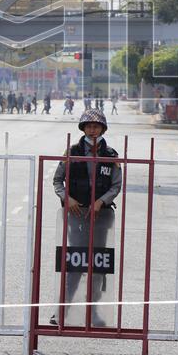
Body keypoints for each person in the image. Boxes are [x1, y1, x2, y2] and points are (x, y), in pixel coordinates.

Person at [50, 108, 122, 327]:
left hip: (101, 216)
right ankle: (61, 311)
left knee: (98, 265)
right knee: (75, 264)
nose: (93, 130)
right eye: (89, 126)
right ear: (82, 128)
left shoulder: (110, 155)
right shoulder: (71, 151)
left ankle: (93, 312)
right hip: (76, 215)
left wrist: (101, 201)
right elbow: (57, 181)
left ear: (102, 129)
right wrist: (67, 198)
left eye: (96, 126)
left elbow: (116, 185)